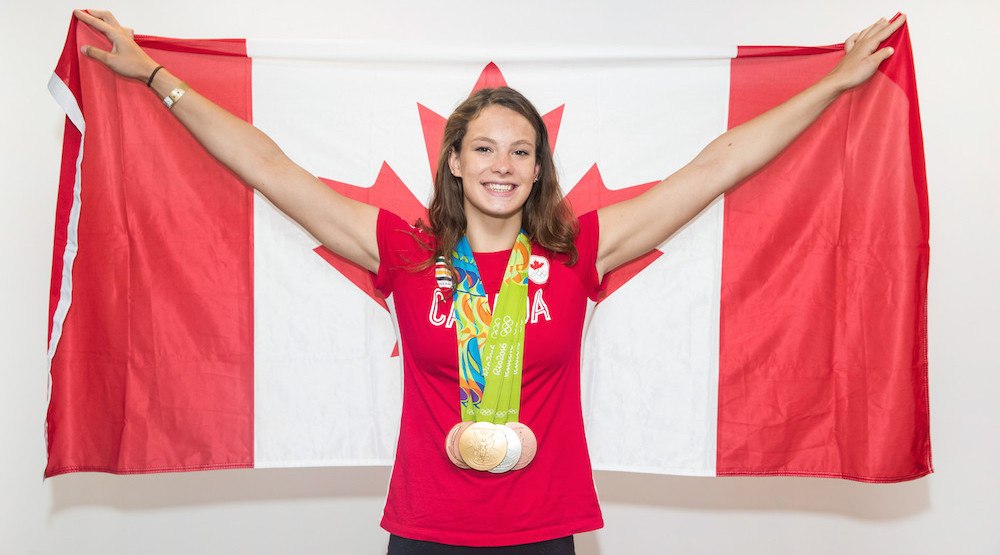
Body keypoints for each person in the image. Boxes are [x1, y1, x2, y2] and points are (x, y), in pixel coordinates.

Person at [73, 9, 906, 554]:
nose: (501, 165)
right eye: (483, 148)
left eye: (520, 151)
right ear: (455, 163)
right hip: (426, 527)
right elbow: (270, 167)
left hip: (545, 527)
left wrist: (831, 83)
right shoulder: (405, 250)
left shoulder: (578, 252)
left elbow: (714, 167)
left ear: (539, 168)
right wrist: (155, 77)